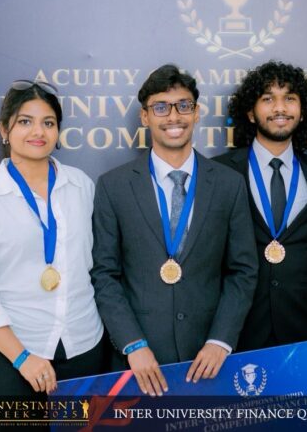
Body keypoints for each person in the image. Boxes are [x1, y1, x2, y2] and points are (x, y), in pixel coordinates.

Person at [90, 64, 258, 397]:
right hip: (138, 362)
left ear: (196, 113)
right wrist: (133, 345)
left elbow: (243, 271)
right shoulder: (114, 186)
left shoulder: (228, 184)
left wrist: (220, 340)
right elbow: (104, 275)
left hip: (209, 358)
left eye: (183, 106)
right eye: (161, 107)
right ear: (144, 116)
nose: (173, 117)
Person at [0, 80, 106, 399]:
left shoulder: (81, 187)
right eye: (25, 121)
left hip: (84, 347)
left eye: (48, 123)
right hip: (12, 357)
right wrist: (23, 358)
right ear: (4, 130)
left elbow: (100, 266)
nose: (38, 131)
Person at [214, 61, 307, 350]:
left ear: (302, 111)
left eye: (290, 98)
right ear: (250, 112)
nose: (280, 108)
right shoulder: (218, 173)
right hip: (236, 331)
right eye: (268, 99)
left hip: (305, 328)